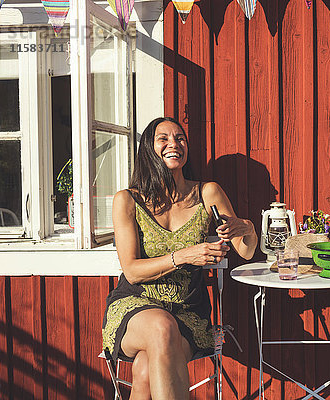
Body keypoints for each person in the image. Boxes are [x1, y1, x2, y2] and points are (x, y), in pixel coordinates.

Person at [102, 117, 258, 399]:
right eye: (164, 138)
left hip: (188, 311)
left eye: (180, 138)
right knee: (161, 326)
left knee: (145, 370)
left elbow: (245, 250)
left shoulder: (207, 192)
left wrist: (247, 227)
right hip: (134, 306)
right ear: (148, 148)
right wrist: (185, 255)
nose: (174, 144)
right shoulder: (127, 200)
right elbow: (133, 272)